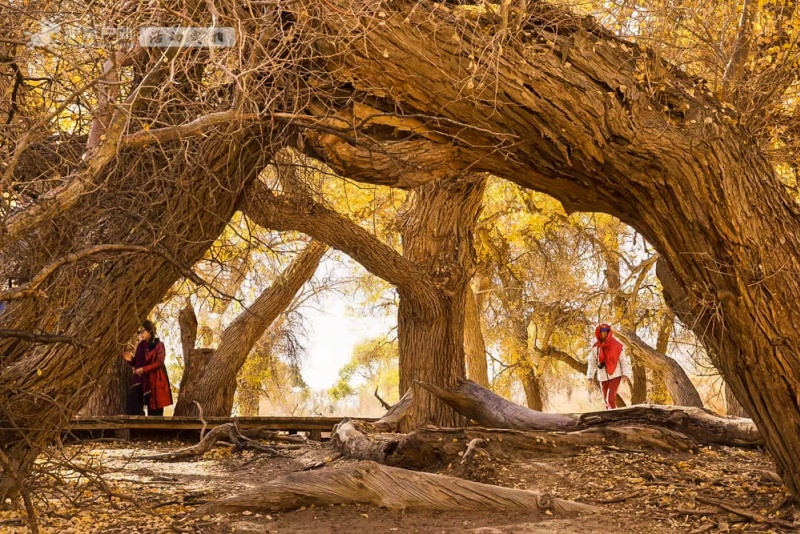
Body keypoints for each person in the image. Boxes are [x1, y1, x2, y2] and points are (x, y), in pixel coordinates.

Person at [122, 320, 173, 416]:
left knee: (155, 413)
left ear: (150, 331)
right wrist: (131, 360)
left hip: (155, 382)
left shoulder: (158, 344)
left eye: (142, 331)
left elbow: (159, 362)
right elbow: (138, 364)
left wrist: (144, 370)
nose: (140, 334)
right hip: (141, 380)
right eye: (139, 332)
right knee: (132, 399)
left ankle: (152, 431)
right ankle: (138, 429)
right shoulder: (141, 346)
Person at [586, 323, 631, 409]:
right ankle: (610, 419)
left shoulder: (616, 345)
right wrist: (590, 376)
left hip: (615, 375)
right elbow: (592, 362)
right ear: (598, 333)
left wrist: (625, 374)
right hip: (602, 377)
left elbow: (623, 360)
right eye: (602, 332)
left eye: (606, 331)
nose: (604, 334)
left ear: (608, 332)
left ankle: (612, 418)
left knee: (610, 398)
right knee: (606, 401)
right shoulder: (596, 347)